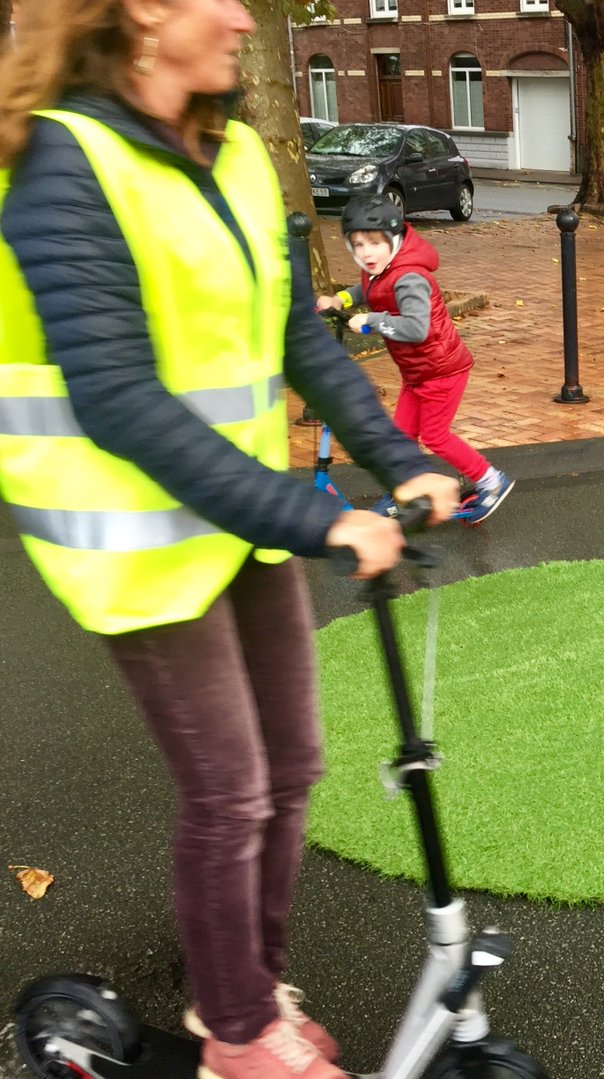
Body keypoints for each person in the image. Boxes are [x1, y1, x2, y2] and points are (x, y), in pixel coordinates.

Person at [0, 3, 461, 1078]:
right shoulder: (67, 161)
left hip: (240, 522)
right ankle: (242, 1037)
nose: (244, 16)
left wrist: (398, 461)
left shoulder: (244, 152)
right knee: (231, 791)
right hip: (136, 542)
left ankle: (242, 988)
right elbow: (116, 398)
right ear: (147, 10)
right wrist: (318, 516)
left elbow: (299, 334)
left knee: (294, 765)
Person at [316, 194, 514, 526]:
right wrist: (341, 298)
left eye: (375, 243)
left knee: (435, 435)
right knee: (403, 435)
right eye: (359, 244)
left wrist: (372, 321)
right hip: (417, 372)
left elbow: (417, 328)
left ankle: (492, 481)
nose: (367, 253)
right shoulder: (381, 268)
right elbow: (368, 289)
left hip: (441, 369)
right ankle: (401, 491)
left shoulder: (410, 278)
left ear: (392, 240)